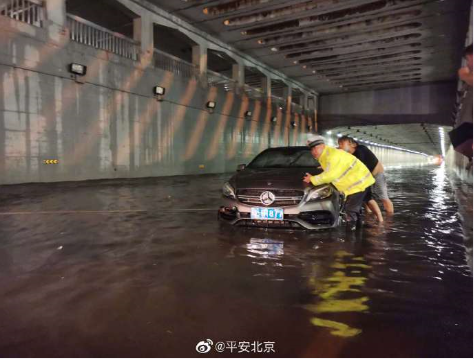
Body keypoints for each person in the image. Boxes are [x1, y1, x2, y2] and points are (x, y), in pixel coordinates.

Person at [303, 135, 375, 231]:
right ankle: (359, 231)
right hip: (358, 182)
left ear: (323, 146)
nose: (313, 152)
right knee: (354, 208)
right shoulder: (327, 154)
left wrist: (312, 179)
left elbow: (330, 175)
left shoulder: (331, 156)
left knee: (350, 210)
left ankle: (351, 236)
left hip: (358, 183)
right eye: (312, 149)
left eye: (316, 148)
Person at [338, 136, 394, 214]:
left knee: (383, 197)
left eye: (341, 144)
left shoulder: (361, 149)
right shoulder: (349, 155)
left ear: (352, 144)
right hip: (366, 177)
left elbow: (360, 167)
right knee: (365, 196)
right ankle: (370, 214)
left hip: (377, 175)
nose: (339, 146)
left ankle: (390, 217)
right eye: (339, 144)